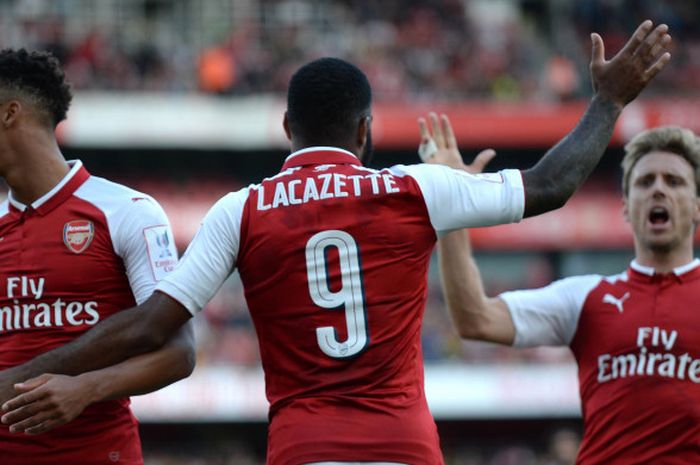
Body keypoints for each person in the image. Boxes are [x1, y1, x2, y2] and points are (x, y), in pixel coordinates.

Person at [0, 21, 671, 465]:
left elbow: (155, 324)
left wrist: (26, 374)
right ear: (366, 130)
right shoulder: (417, 188)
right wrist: (608, 103)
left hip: (304, 445)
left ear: (288, 126)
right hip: (404, 443)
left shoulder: (241, 209)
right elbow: (550, 184)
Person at [429, 121, 700, 462]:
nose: (658, 190)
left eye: (674, 181)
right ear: (626, 207)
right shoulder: (586, 298)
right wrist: (453, 209)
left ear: (697, 206)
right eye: (645, 182)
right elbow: (475, 319)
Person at [0, 49, 195, 465]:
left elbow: (179, 353)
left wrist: (88, 387)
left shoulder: (128, 211)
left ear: (9, 113)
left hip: (98, 452)